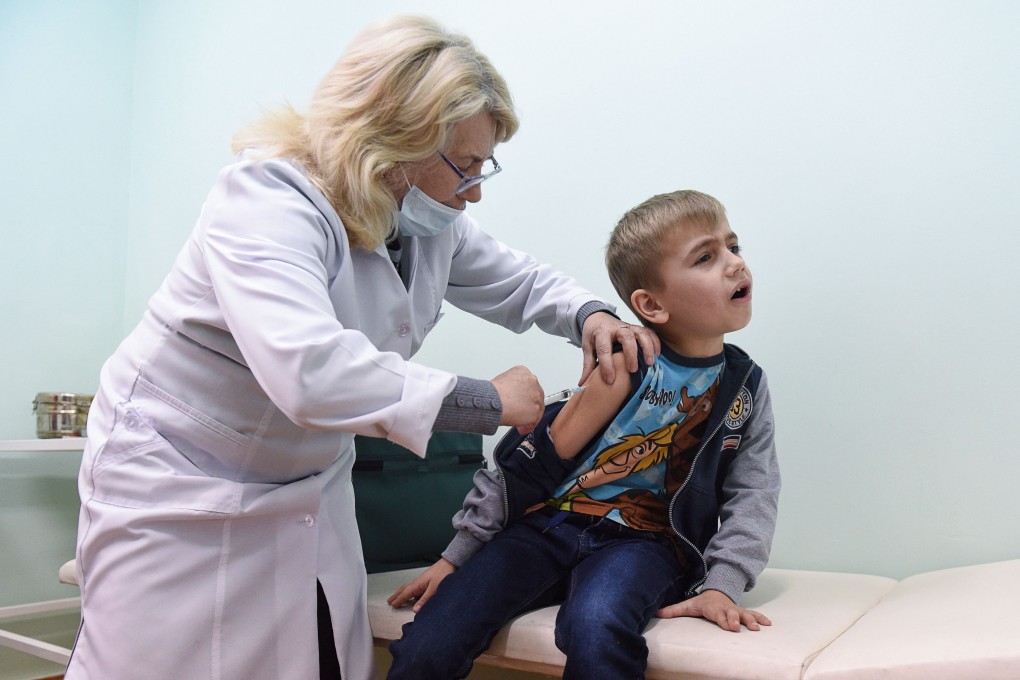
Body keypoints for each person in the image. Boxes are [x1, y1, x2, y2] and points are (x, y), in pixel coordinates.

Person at [65, 16, 659, 680]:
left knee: (318, 658)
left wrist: (589, 313)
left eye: (481, 166)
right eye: (464, 167)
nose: (476, 189)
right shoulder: (267, 198)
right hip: (182, 477)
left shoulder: (423, 220)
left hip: (307, 482)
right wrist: (489, 403)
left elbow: (518, 279)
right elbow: (311, 371)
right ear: (397, 137)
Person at [386, 189, 782, 680]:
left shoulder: (745, 389)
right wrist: (458, 556)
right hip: (548, 525)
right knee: (433, 637)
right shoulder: (627, 360)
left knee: (596, 626)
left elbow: (753, 494)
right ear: (650, 305)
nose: (733, 265)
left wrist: (722, 583)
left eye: (733, 247)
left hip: (645, 545)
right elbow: (529, 465)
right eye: (706, 256)